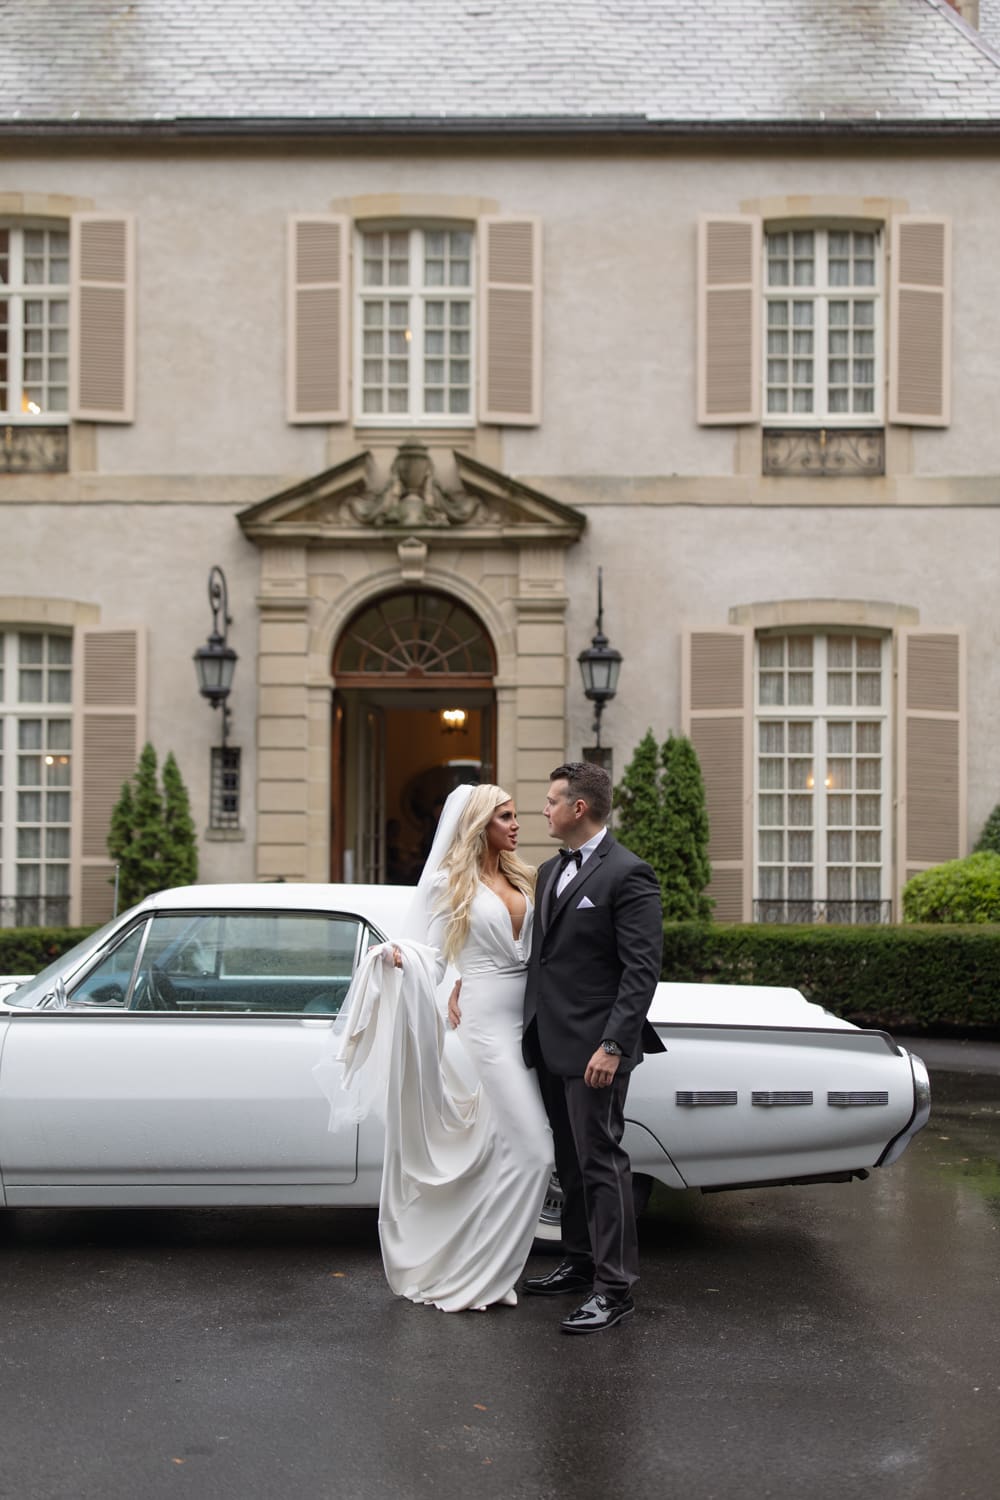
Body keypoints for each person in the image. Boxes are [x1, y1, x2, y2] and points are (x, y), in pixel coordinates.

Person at [327, 783, 553, 1313]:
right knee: (536, 1153)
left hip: (530, 1025)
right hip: (482, 1029)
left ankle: (478, 1262)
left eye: (517, 815)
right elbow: (428, 951)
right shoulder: (449, 884)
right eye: (505, 817)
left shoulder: (525, 877)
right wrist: (402, 961)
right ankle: (480, 1276)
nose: (517, 825)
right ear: (479, 825)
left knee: (499, 1155)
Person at [520, 761, 664, 1335]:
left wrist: (612, 1045)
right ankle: (578, 1263)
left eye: (551, 800)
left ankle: (616, 1288)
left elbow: (640, 971)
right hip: (550, 1044)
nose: (544, 810)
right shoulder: (550, 871)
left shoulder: (629, 873)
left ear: (579, 808)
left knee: (603, 1163)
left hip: (596, 1051)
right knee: (572, 1163)